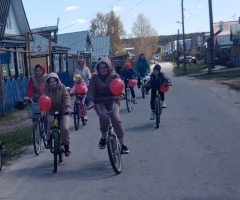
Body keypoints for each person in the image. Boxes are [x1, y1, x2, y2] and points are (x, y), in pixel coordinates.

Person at [86, 57, 129, 154]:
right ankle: (104, 137)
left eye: (104, 67)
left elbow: (120, 86)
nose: (102, 69)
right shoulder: (94, 78)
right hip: (99, 102)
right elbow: (91, 91)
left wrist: (121, 95)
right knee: (103, 116)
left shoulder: (115, 76)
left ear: (109, 67)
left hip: (113, 100)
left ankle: (123, 145)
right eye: (100, 67)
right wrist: (91, 102)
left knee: (115, 118)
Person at [41, 72, 71, 157]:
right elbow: (43, 99)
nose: (53, 83)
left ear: (57, 81)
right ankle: (49, 140)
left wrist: (68, 107)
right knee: (50, 123)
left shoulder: (62, 87)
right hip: (51, 112)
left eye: (54, 81)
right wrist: (43, 109)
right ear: (48, 83)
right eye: (51, 82)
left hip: (62, 112)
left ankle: (66, 147)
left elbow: (66, 98)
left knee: (64, 129)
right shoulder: (46, 89)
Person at [24, 64, 48, 135]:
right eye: (36, 71)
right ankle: (36, 129)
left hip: (45, 99)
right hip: (35, 98)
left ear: (42, 70)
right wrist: (27, 96)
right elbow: (30, 89)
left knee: (45, 117)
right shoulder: (32, 78)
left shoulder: (46, 77)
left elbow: (49, 87)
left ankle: (47, 133)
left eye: (39, 70)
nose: (38, 72)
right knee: (34, 115)